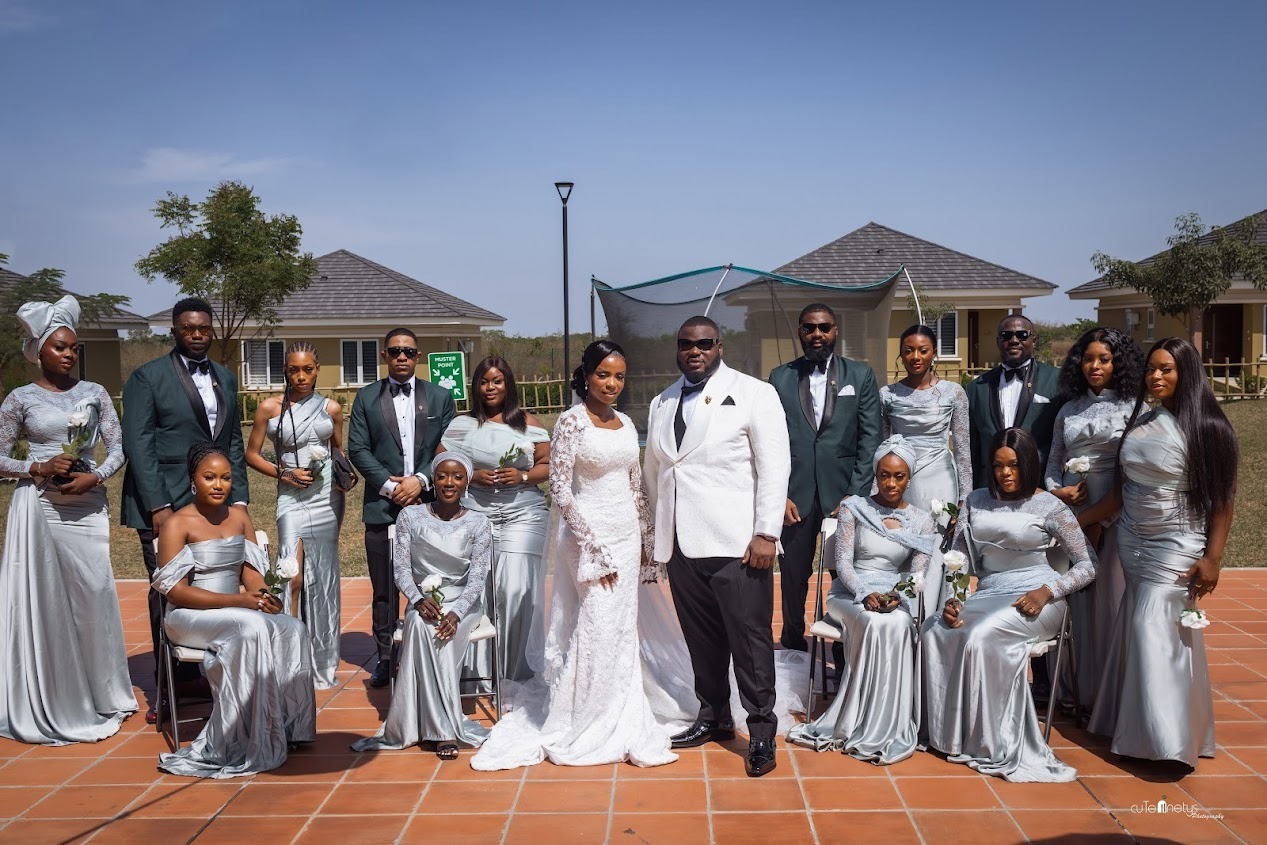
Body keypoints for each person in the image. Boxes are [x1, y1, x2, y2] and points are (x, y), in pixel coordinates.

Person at [471, 340, 685, 770]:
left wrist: (647, 545)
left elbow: (635, 488)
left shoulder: (626, 422)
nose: (611, 383)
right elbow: (561, 489)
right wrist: (592, 546)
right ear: (586, 375)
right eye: (603, 374)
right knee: (597, 624)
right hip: (586, 538)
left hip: (625, 537)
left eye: (619, 376)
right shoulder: (571, 422)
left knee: (621, 627)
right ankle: (583, 716)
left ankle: (622, 711)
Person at [644, 317, 792, 777]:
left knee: (749, 643)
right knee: (702, 642)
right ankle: (713, 717)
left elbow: (774, 465)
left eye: (704, 343)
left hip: (739, 545)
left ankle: (762, 732)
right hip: (683, 545)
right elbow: (657, 471)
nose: (695, 351)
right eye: (686, 344)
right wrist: (658, 536)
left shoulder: (755, 393)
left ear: (720, 347)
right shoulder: (662, 401)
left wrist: (767, 531)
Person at [1084, 338, 1235, 768]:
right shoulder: (1143, 419)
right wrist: (1074, 521)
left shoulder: (1208, 426)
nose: (1156, 376)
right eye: (1152, 368)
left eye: (1166, 369)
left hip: (1178, 541)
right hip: (1132, 537)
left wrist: (1214, 557)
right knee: (1138, 624)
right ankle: (1137, 726)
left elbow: (1223, 500)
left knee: (1154, 625)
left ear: (1186, 373)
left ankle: (1166, 743)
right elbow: (1120, 492)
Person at [922, 428, 1096, 782]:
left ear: (1028, 463)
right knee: (934, 629)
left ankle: (988, 740)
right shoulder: (975, 500)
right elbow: (956, 556)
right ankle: (948, 735)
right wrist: (955, 600)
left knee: (981, 636)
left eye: (1014, 465)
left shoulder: (1049, 504)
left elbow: (1089, 564)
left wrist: (1048, 591)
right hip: (987, 593)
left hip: (1038, 598)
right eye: (999, 466)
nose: (1006, 473)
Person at [0, 295, 136, 744]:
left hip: (86, 506)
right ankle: (57, 692)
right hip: (39, 509)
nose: (69, 354)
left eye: (74, 348)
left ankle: (104, 691)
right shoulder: (19, 399)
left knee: (94, 594)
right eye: (60, 347)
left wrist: (95, 476)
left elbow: (119, 447)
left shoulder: (95, 393)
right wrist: (37, 468)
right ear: (39, 351)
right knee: (48, 601)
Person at [151, 442, 316, 778]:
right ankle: (232, 736)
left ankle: (288, 727)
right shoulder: (177, 523)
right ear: (193, 480)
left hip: (235, 612)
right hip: (189, 615)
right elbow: (177, 591)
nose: (218, 485)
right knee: (251, 628)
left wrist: (265, 597)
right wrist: (241, 601)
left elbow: (251, 577)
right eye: (209, 477)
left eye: (225, 478)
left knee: (291, 627)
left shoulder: (239, 517)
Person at [121, 296, 249, 724]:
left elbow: (231, 442)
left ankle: (203, 675)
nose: (197, 335)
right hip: (165, 501)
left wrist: (240, 498)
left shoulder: (226, 378)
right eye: (188, 328)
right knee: (168, 592)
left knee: (214, 583)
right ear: (174, 331)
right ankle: (167, 684)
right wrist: (158, 505)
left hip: (217, 503)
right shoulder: (148, 378)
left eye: (204, 328)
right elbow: (138, 444)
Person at [787, 436, 936, 764]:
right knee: (870, 620)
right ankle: (858, 716)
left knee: (898, 623)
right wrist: (865, 593)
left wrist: (897, 596)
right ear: (875, 473)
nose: (891, 483)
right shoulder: (854, 507)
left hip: (894, 596)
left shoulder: (923, 520)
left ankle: (889, 721)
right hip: (849, 593)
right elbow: (842, 564)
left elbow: (917, 574)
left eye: (899, 476)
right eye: (884, 474)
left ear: (909, 477)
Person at [352, 452, 492, 759]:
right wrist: (417, 600)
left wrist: (456, 613)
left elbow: (477, 578)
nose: (449, 482)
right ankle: (430, 727)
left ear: (467, 481)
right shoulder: (410, 517)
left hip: (463, 604)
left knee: (442, 634)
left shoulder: (479, 522)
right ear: (433, 481)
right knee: (417, 623)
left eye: (457, 476)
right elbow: (401, 569)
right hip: (424, 600)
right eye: (442, 476)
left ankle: (440, 729)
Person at [768, 303, 881, 655]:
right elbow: (771, 440)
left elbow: (870, 439)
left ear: (836, 331)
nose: (817, 334)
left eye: (824, 327)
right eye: (809, 328)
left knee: (843, 575)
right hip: (795, 494)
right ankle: (791, 646)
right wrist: (779, 494)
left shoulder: (860, 375)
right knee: (793, 575)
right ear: (800, 332)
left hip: (843, 495)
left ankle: (841, 648)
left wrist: (857, 494)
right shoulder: (779, 377)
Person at [348, 328, 456, 688]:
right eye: (395, 351)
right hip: (382, 504)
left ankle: (424, 652)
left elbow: (448, 447)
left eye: (408, 351)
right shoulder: (365, 398)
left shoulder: (441, 398)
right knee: (384, 588)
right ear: (384, 356)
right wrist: (392, 485)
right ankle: (384, 657)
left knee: (430, 580)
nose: (402, 357)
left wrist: (421, 481)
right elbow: (358, 449)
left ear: (418, 355)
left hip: (429, 505)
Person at [1044, 327, 1141, 710]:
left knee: (1108, 599)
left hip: (1113, 513)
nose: (1095, 366)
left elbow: (1134, 469)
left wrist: (1101, 520)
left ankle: (1105, 694)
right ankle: (1068, 689)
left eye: (1104, 358)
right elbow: (1054, 459)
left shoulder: (1135, 407)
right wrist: (1057, 491)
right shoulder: (1068, 408)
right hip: (1068, 511)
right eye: (1088, 358)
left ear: (1119, 362)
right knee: (1070, 596)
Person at [245, 341, 348, 689]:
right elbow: (252, 454)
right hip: (290, 496)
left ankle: (322, 662)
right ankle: (287, 657)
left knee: (324, 577)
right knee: (291, 574)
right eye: (293, 369)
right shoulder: (269, 408)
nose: (301, 376)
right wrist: (283, 474)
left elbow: (338, 452)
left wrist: (343, 478)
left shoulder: (332, 408)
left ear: (318, 369)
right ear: (285, 371)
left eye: (307, 369)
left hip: (326, 499)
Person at [441, 356, 550, 684]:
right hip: (477, 515)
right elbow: (442, 464)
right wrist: (472, 476)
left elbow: (550, 464)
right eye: (484, 382)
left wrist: (524, 475)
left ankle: (516, 672)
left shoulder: (529, 423)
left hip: (524, 515)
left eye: (497, 381)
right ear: (476, 387)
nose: (490, 388)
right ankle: (480, 673)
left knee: (515, 589)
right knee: (480, 591)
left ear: (508, 385)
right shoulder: (461, 425)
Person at [880, 324, 971, 516]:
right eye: (908, 351)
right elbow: (881, 448)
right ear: (901, 354)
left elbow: (963, 450)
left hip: (941, 477)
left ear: (934, 353)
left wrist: (965, 496)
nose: (915, 357)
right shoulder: (887, 394)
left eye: (923, 350)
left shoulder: (954, 393)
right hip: (900, 477)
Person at [964, 315, 1064, 488]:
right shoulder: (976, 388)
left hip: (1038, 485)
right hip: (990, 487)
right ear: (998, 341)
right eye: (1006, 336)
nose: (1014, 340)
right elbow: (972, 446)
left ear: (1034, 340)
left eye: (1022, 335)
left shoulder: (1057, 380)